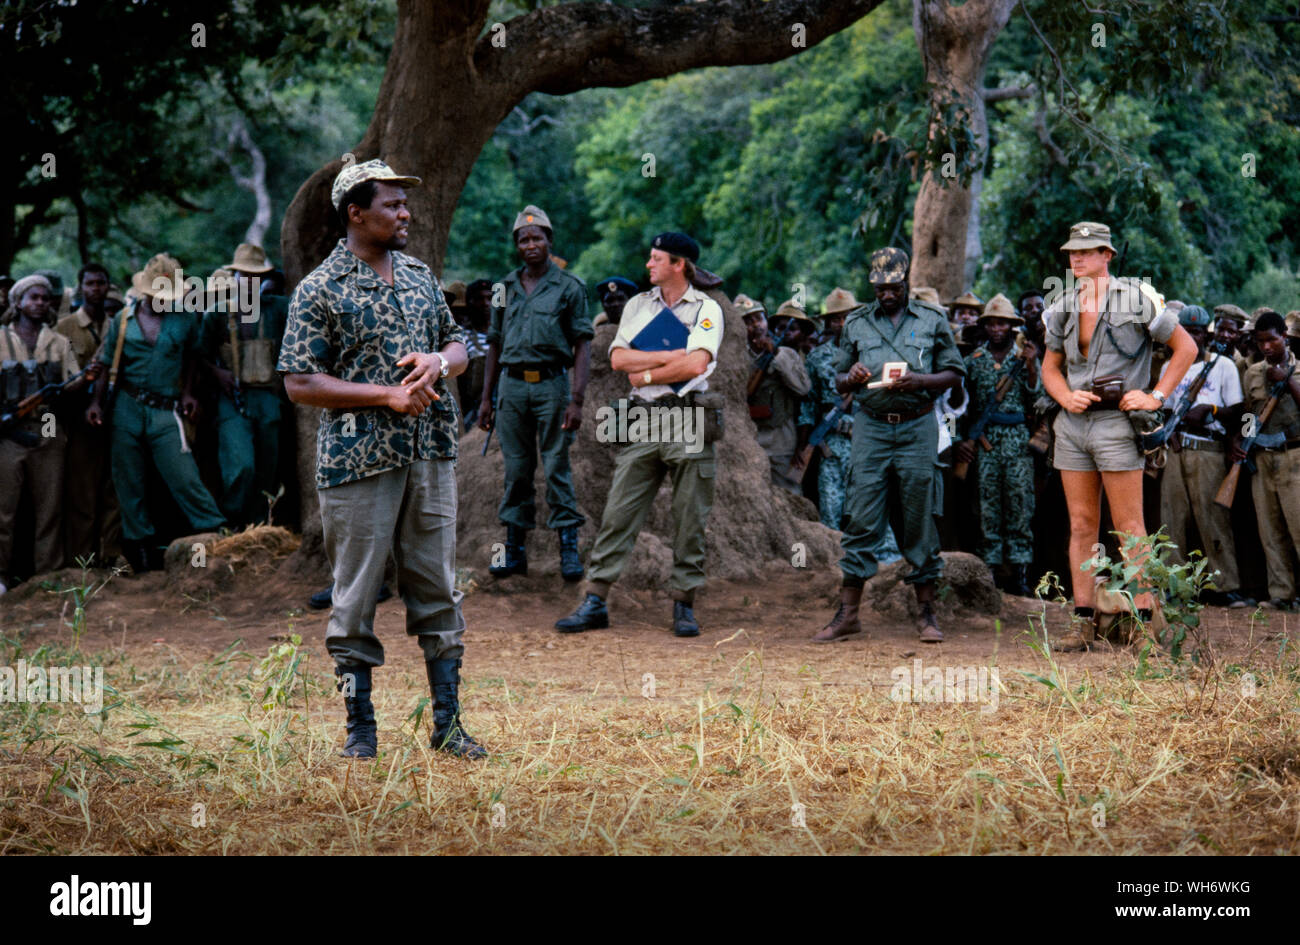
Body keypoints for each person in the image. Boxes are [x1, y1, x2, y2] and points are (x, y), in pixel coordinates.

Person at [278, 158, 483, 759]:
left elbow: (459, 343)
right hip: (357, 465)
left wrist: (439, 364)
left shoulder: (420, 276)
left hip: (431, 456)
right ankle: (359, 732)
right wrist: (386, 395)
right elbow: (299, 382)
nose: (405, 213)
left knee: (438, 590)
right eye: (392, 205)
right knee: (356, 597)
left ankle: (448, 725)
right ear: (355, 213)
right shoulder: (320, 289)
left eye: (404, 203)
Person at [556, 231, 722, 637]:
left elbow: (696, 366)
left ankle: (684, 604)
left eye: (656, 258)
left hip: (689, 418)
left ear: (678, 264)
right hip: (643, 417)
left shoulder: (707, 308)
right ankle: (595, 599)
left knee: (689, 518)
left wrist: (646, 370)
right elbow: (618, 359)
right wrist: (667, 358)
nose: (648, 265)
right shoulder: (636, 305)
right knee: (619, 512)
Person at [1041, 222, 1196, 651]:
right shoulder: (1064, 304)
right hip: (1073, 426)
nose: (1077, 258)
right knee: (1080, 525)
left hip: (1117, 423)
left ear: (1107, 255)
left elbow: (1186, 349)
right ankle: (1083, 621)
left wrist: (1155, 396)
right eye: (1072, 251)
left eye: (1088, 251)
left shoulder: (1137, 298)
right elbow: (1049, 367)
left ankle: (1144, 624)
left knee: (1129, 528)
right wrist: (1064, 396)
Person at [815, 247, 965, 644]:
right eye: (879, 288)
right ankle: (848, 614)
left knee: (919, 513)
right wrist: (853, 376)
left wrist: (920, 382)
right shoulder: (857, 322)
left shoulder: (933, 319)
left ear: (907, 282)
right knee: (861, 514)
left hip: (917, 427)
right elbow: (838, 378)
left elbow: (953, 373)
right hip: (872, 428)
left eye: (893, 287)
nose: (885, 295)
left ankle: (927, 613)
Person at [85, 254, 226, 574]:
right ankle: (141, 553)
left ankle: (215, 534)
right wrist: (95, 403)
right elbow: (107, 366)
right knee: (128, 479)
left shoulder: (185, 319)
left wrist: (188, 392)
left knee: (183, 473)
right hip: (127, 404)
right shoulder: (122, 319)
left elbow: (193, 357)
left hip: (166, 405)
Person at [477, 204, 593, 582]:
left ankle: (569, 552)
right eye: (523, 239)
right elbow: (493, 342)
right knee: (516, 470)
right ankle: (513, 552)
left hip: (553, 386)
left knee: (557, 467)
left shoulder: (570, 287)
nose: (530, 244)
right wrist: (486, 398)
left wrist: (577, 399)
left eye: (536, 238)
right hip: (511, 387)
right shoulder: (501, 289)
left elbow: (582, 344)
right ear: (517, 245)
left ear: (548, 241)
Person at [1156, 305, 1250, 608]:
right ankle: (1175, 586)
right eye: (1188, 332)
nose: (1194, 337)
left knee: (1213, 519)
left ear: (1206, 334)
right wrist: (1169, 431)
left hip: (1208, 448)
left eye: (1198, 332)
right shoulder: (1168, 366)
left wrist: (1209, 410)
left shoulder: (1222, 365)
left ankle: (1224, 585)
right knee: (1172, 519)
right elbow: (1164, 407)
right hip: (1177, 448)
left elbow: (1237, 410)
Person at [953, 293, 1041, 596]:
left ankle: (1019, 575)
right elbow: (956, 409)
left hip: (1016, 440)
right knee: (987, 507)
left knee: (1020, 505)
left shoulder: (1025, 358)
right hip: (984, 441)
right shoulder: (972, 362)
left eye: (1003, 323)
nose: (997, 329)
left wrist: (1030, 365)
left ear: (1012, 327)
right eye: (992, 324)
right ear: (985, 326)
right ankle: (988, 574)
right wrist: (957, 442)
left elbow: (1036, 397)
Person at [0, 275, 81, 593]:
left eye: (44, 298)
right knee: (3, 510)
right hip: (8, 434)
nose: (39, 303)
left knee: (50, 508)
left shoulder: (59, 342)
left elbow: (74, 379)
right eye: (32, 297)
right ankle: (2, 577)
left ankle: (48, 576)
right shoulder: (2, 339)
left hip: (47, 428)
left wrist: (71, 385)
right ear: (18, 302)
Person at [202, 244, 290, 529]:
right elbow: (198, 355)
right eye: (244, 276)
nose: (249, 282)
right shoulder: (217, 313)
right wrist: (217, 373)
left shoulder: (278, 308)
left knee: (268, 468)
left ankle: (261, 527)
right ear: (234, 277)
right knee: (241, 466)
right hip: (233, 399)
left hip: (268, 397)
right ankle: (232, 525)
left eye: (256, 277)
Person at [1233, 311, 1300, 611]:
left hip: (1293, 456)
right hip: (1262, 457)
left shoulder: (1297, 370)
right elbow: (1251, 411)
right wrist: (1241, 439)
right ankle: (1281, 593)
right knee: (1270, 530)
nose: (1267, 347)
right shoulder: (1252, 372)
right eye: (1261, 342)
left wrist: (1287, 383)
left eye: (1272, 340)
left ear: (1285, 336)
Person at [57, 263, 121, 566]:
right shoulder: (65, 327)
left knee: (113, 488)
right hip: (78, 418)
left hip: (114, 414)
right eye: (91, 283)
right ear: (81, 287)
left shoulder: (118, 323)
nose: (96, 288)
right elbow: (60, 380)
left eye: (101, 283)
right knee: (81, 491)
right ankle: (80, 560)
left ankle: (110, 556)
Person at [794, 287, 860, 529]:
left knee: (867, 511)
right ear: (828, 323)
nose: (842, 323)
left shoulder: (872, 352)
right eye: (835, 318)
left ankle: (882, 564)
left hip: (865, 443)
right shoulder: (817, 357)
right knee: (831, 513)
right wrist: (804, 444)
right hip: (829, 445)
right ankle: (833, 565)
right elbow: (808, 405)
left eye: (847, 317)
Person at [749, 298, 812, 493]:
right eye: (748, 321)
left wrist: (776, 355)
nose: (756, 326)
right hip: (750, 438)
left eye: (759, 319)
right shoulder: (736, 355)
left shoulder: (787, 354)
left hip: (780, 440)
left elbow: (803, 389)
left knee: (790, 497)